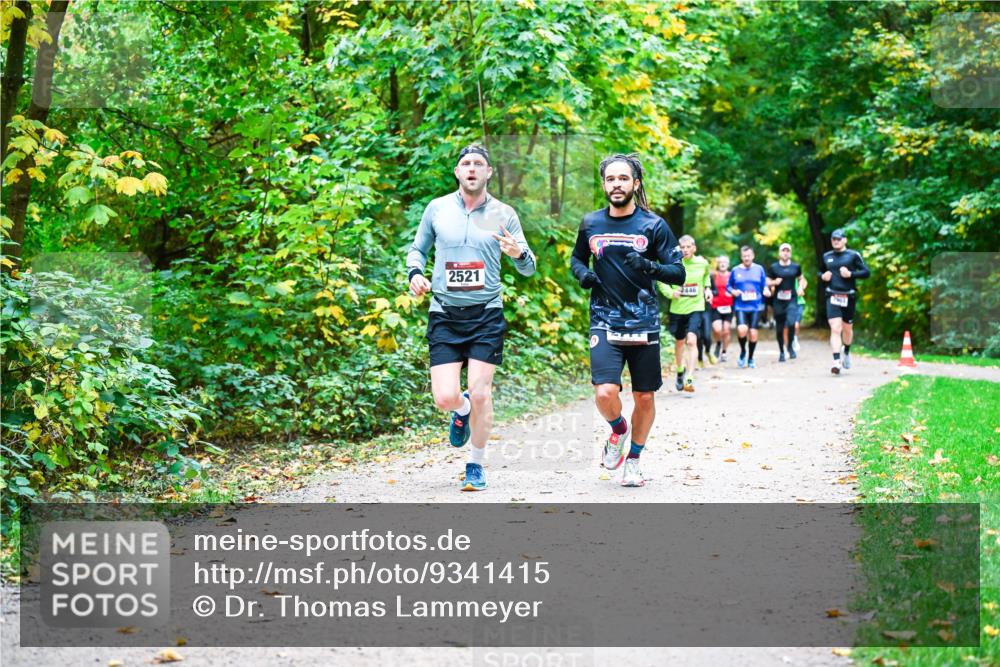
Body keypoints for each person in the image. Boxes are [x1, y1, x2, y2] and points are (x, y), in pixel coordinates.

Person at [406, 144, 537, 491]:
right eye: (466, 164)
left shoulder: (503, 213)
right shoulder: (437, 209)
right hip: (445, 314)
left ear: (489, 173)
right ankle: (459, 411)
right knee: (446, 398)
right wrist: (415, 274)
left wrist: (518, 252)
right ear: (457, 172)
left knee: (481, 393)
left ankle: (475, 466)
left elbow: (528, 267)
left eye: (479, 164)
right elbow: (417, 250)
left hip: (486, 314)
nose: (472, 168)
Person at [570, 153, 683, 487]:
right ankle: (618, 430)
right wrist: (583, 275)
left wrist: (650, 267)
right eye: (610, 179)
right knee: (605, 392)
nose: (616, 184)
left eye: (623, 179)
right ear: (604, 184)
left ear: (635, 183)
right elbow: (577, 258)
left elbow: (678, 273)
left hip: (643, 321)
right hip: (604, 319)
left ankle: (633, 459)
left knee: (645, 397)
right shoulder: (591, 223)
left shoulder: (653, 225)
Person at [665, 235, 712, 393]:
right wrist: (671, 293)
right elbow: (660, 280)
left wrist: (707, 289)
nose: (685, 250)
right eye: (682, 247)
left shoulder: (702, 263)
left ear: (694, 248)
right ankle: (680, 371)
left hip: (696, 307)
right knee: (679, 343)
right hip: (677, 309)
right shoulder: (673, 262)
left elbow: (706, 277)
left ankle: (690, 378)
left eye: (688, 247)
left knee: (691, 341)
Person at [820, 228, 870, 374]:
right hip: (832, 295)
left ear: (845, 240)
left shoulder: (853, 255)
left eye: (838, 239)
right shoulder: (826, 256)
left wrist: (851, 274)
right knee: (835, 328)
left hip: (848, 295)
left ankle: (846, 352)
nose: (836, 241)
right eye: (833, 239)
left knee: (847, 329)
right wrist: (823, 276)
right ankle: (836, 362)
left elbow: (866, 272)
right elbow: (820, 271)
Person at [727, 246, 769, 369]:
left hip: (756, 306)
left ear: (753, 256)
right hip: (741, 306)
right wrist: (733, 291)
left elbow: (764, 284)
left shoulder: (759, 269)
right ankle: (743, 352)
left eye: (748, 255)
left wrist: (766, 290)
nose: (746, 258)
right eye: (744, 256)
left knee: (753, 333)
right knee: (741, 330)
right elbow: (729, 286)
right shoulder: (735, 270)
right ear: (741, 257)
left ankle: (750, 358)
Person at [766, 242, 807, 362]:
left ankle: (790, 346)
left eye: (787, 251)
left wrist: (800, 287)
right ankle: (781, 351)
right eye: (783, 251)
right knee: (779, 327)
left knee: (791, 323)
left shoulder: (796, 267)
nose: (785, 253)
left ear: (790, 253)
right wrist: (774, 283)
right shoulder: (774, 267)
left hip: (792, 300)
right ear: (779, 253)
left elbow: (801, 279)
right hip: (778, 301)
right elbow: (767, 281)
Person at [709, 255, 734, 362]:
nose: (723, 264)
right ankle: (718, 342)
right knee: (717, 329)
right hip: (715, 306)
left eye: (725, 262)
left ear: (728, 264)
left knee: (726, 331)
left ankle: (724, 352)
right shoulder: (713, 275)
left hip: (729, 306)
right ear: (718, 264)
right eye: (720, 262)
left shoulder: (732, 275)